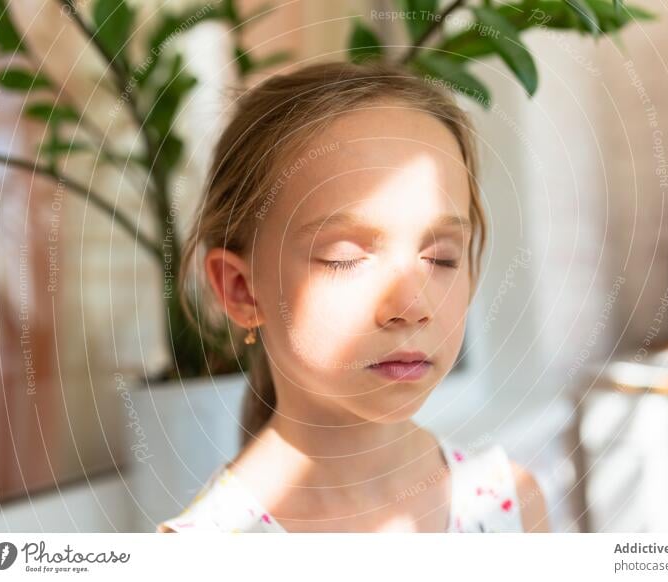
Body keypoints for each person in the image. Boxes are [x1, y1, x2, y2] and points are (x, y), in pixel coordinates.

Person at [157, 61, 549, 533]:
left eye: (442, 258)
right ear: (242, 290)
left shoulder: (511, 507)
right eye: (344, 257)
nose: (411, 307)